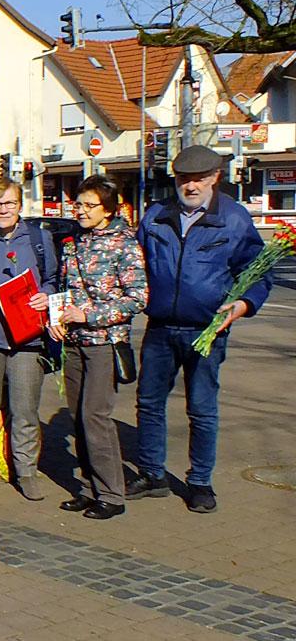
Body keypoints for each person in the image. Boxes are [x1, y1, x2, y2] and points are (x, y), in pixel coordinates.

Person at [129, 145, 271, 513]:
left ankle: (200, 483)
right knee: (148, 404)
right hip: (160, 327)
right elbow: (135, 263)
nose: (191, 186)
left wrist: (244, 304)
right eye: (184, 179)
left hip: (206, 330)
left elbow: (257, 272)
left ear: (215, 177)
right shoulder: (156, 215)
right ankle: (151, 473)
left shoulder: (234, 218)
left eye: (199, 178)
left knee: (202, 409)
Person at [49, 176, 147, 520]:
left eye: (89, 205)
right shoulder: (74, 241)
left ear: (107, 210)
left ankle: (111, 494)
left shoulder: (124, 244)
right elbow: (65, 288)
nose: (81, 210)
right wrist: (57, 316)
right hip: (74, 343)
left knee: (96, 417)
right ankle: (90, 489)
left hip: (105, 344)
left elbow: (138, 298)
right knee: (78, 418)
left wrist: (88, 314)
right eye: (78, 204)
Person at [0, 177, 56, 500]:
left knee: (25, 410)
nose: (4, 209)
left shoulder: (39, 240)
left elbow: (54, 280)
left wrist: (46, 295)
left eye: (10, 203)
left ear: (20, 206)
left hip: (28, 340)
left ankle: (26, 470)